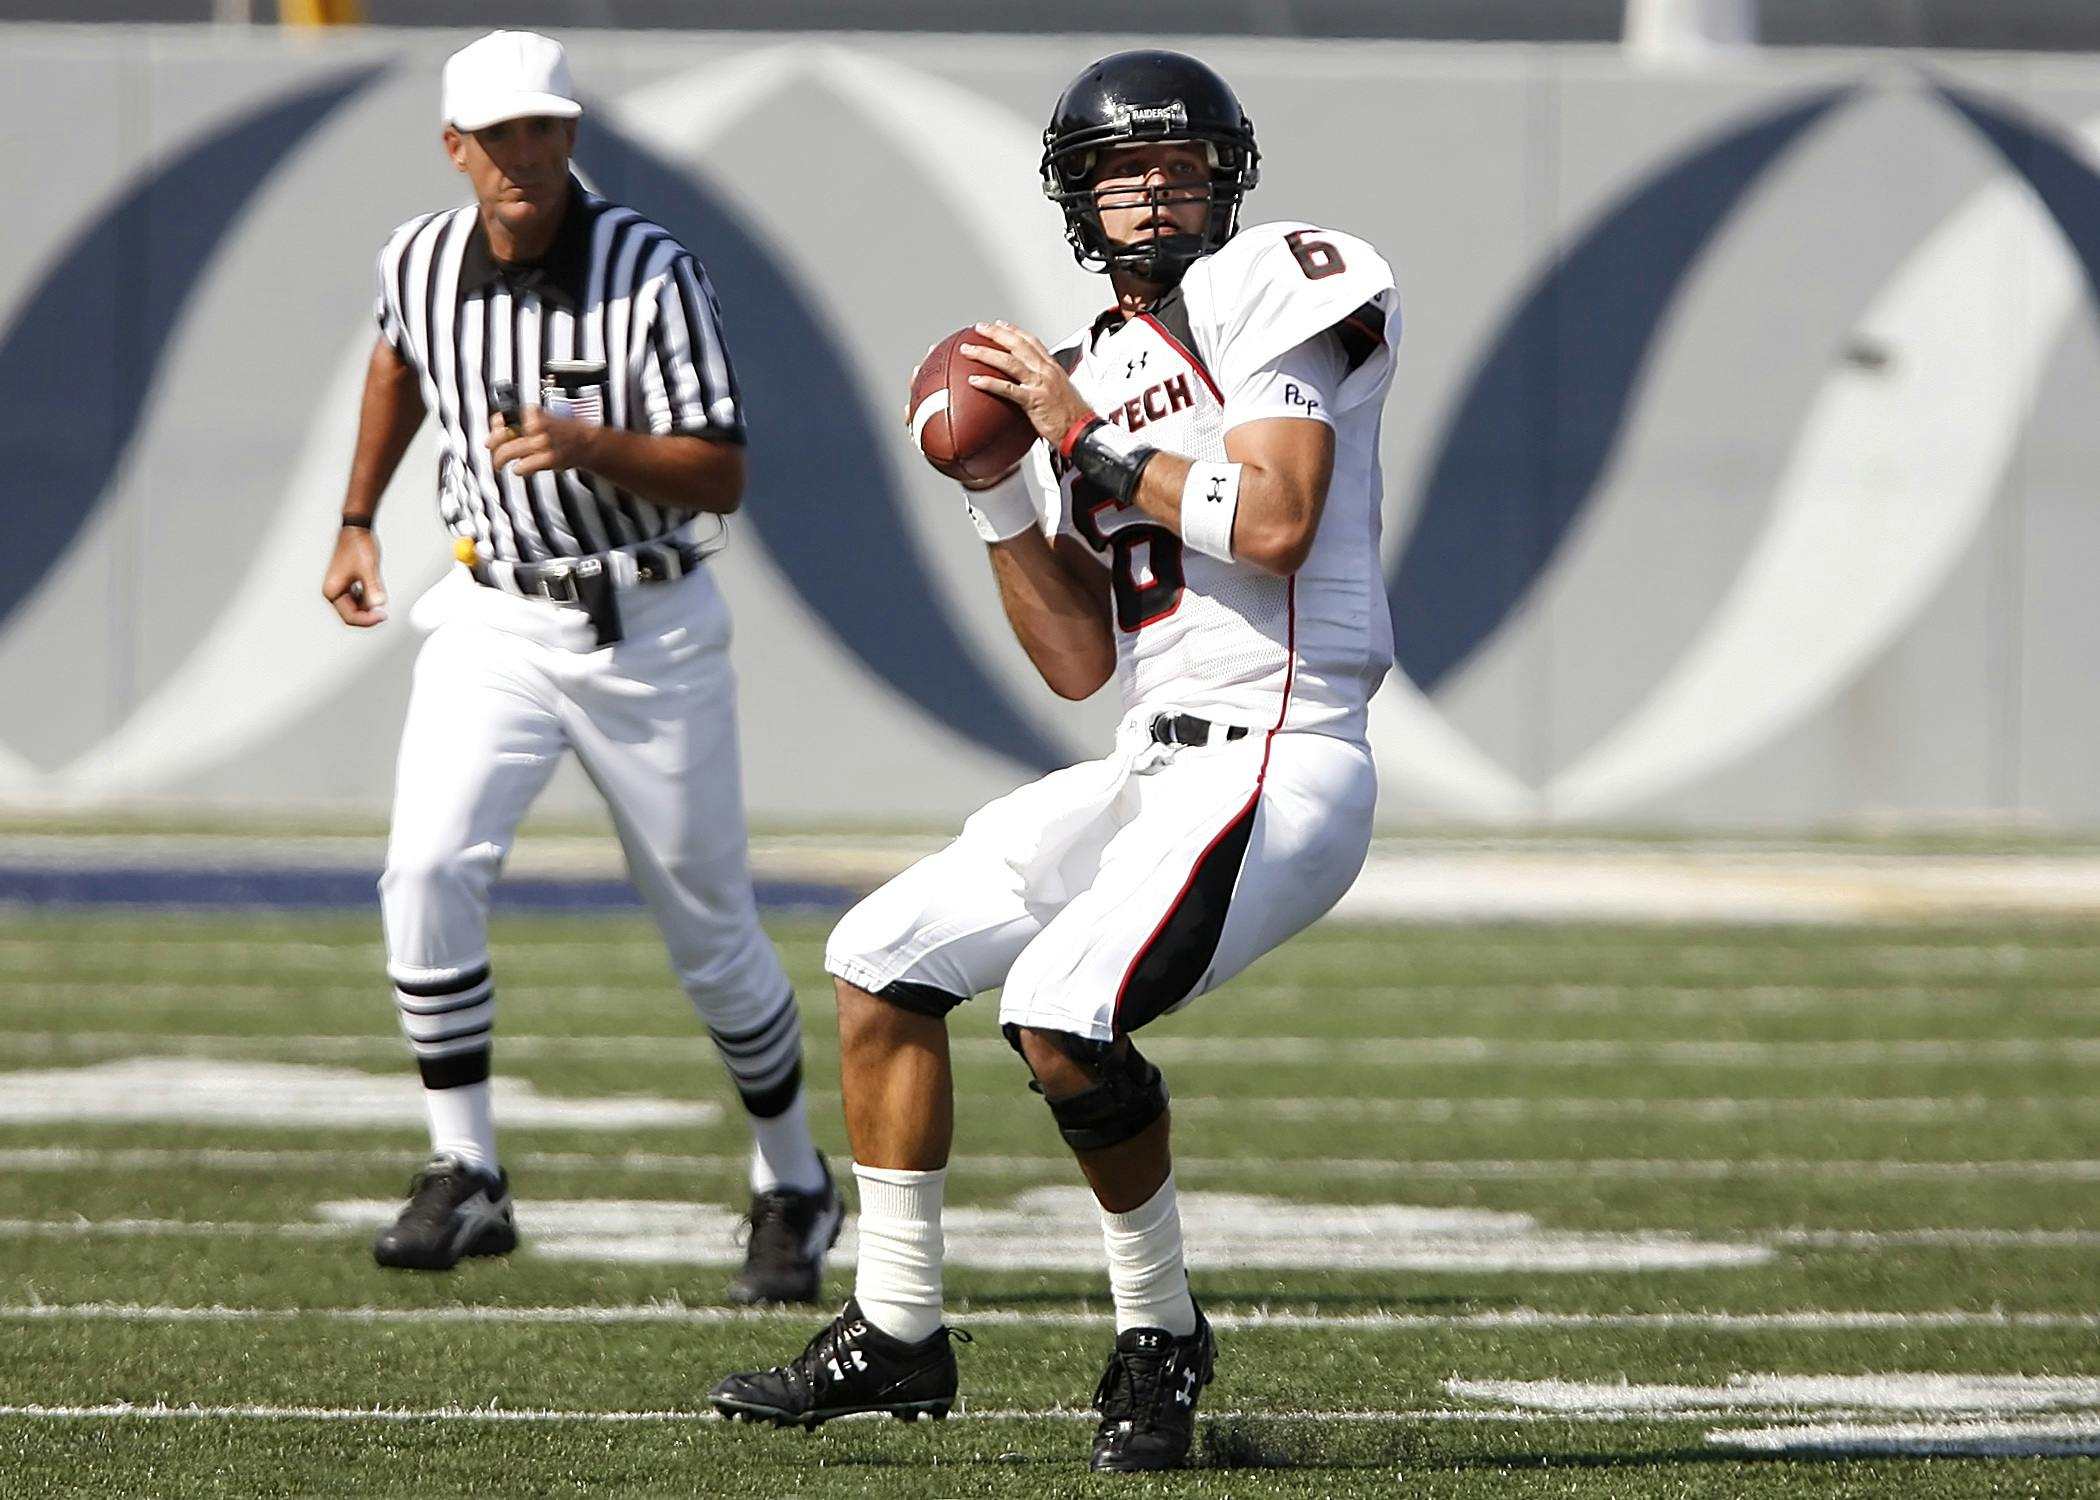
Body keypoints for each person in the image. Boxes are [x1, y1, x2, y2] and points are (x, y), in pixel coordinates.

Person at [708, 48, 1399, 1471]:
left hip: (1283, 752)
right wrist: (998, 491)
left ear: (1228, 178)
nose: (1155, 193)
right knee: (880, 956)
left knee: (1061, 1011)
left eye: (1181, 165)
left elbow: (1275, 522)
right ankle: (898, 1327)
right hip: (1155, 762)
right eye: (1121, 171)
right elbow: (1080, 659)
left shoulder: (1271, 279)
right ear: (1077, 197)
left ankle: (1160, 1335)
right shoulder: (1083, 370)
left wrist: (1080, 439)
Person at [321, 29, 841, 1303]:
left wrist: (587, 443)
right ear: (456, 147)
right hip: (493, 611)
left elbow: (721, 471)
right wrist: (355, 516)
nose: (525, 155)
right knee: (426, 868)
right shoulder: (417, 258)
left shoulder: (650, 267)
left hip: (645, 621)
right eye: (499, 135)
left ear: (571, 134)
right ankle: (466, 1169)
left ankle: (793, 1181)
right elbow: (398, 357)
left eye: (543, 129)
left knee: (709, 930)